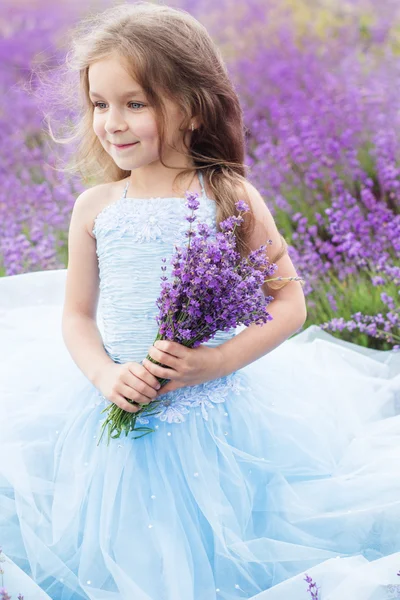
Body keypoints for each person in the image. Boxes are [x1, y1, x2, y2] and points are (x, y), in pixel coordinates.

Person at [0, 2, 399, 599]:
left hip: (217, 414)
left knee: (218, 552)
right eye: (100, 104)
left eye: (135, 103)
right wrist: (106, 376)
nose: (112, 122)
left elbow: (290, 304)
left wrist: (214, 362)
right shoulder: (96, 208)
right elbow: (77, 315)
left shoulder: (226, 195)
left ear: (190, 105)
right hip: (115, 400)